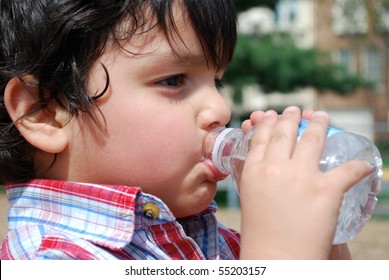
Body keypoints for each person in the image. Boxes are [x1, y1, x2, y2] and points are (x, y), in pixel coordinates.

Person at [0, 0, 370, 260]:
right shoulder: (51, 259)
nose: (221, 109)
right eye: (174, 79)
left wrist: (323, 241)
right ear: (44, 112)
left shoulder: (216, 245)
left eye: (217, 82)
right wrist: (282, 256)